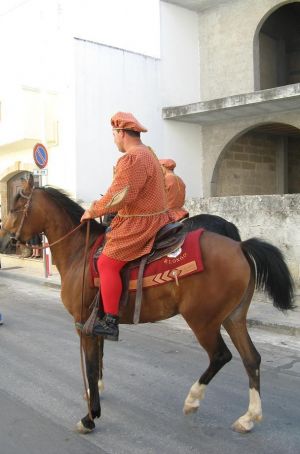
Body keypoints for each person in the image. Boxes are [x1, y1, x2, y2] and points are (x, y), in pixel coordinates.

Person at [80, 112, 173, 341]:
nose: (114, 139)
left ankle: (110, 321)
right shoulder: (148, 153)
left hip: (140, 222)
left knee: (107, 262)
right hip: (156, 216)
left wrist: (92, 210)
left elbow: (119, 196)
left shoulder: (133, 158)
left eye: (114, 134)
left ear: (121, 133)